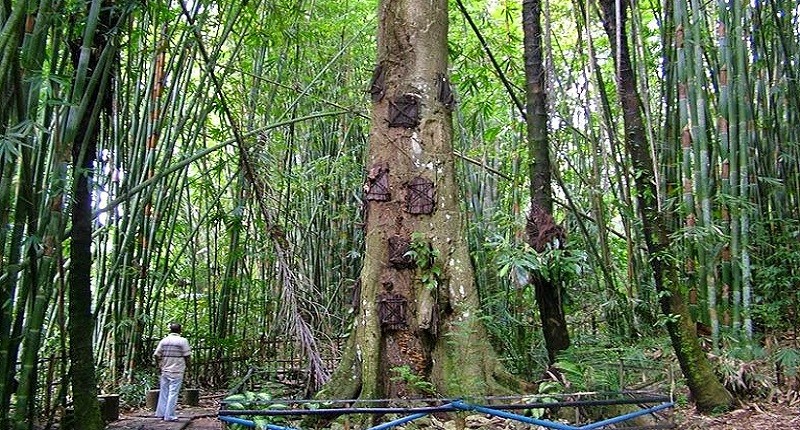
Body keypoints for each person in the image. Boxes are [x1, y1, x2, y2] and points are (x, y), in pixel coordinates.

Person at [153, 322, 191, 421]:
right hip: (177, 370)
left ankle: (160, 413)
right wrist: (189, 368)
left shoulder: (164, 340)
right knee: (173, 393)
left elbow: (156, 355)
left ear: (170, 330)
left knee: (164, 392)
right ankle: (169, 415)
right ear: (180, 330)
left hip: (165, 369)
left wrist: (158, 365)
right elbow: (187, 356)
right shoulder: (183, 341)